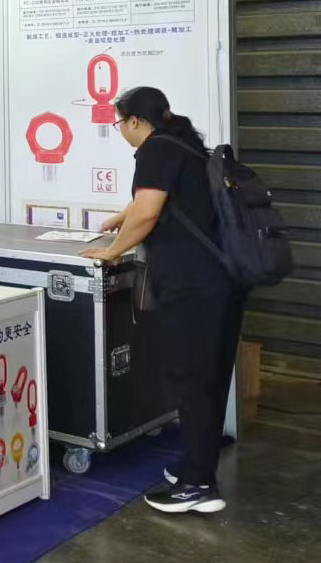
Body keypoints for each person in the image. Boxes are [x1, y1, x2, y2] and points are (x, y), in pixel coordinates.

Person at [79, 86, 246, 514]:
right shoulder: (184, 145)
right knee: (208, 377)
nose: (119, 130)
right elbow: (154, 201)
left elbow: (149, 210)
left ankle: (199, 486)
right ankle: (198, 464)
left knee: (189, 377)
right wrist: (122, 217)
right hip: (223, 282)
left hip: (194, 286)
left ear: (136, 121)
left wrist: (112, 251)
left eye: (119, 122)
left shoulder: (154, 149)